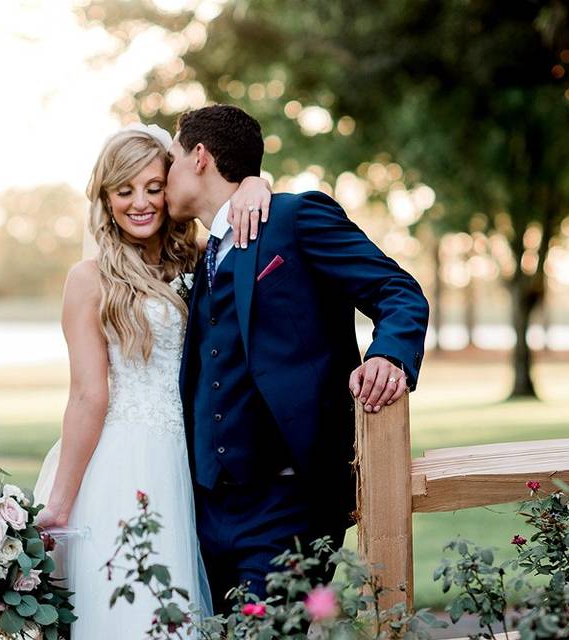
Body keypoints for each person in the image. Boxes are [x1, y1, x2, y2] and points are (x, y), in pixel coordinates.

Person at [165, 104, 430, 612]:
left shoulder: (294, 218)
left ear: (200, 156)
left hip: (287, 503)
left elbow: (398, 291)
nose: (165, 172)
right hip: (207, 509)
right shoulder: (205, 255)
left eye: (172, 158)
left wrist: (389, 357)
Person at [33, 122, 271, 637]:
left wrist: (256, 183)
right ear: (106, 197)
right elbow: (87, 396)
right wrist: (61, 502)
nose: (140, 202)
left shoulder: (201, 258)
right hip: (125, 464)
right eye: (125, 190)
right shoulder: (89, 279)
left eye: (153, 187)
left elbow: (236, 208)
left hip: (197, 457)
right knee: (134, 607)